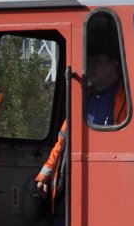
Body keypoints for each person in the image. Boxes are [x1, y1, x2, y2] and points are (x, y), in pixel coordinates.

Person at [35, 53, 128, 205]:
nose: (90, 66)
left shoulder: (127, 100)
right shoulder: (83, 98)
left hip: (106, 182)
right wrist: (47, 173)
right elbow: (62, 141)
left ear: (114, 65)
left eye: (97, 60)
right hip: (74, 180)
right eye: (89, 62)